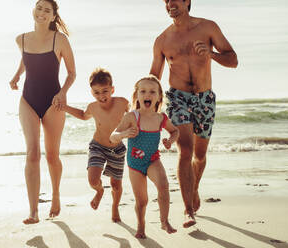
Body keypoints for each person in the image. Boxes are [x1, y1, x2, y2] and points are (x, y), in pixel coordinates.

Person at [150, 0, 238, 228]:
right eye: (166, 0)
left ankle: (194, 187)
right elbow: (154, 76)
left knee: (199, 155)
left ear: (188, 1)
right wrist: (144, 104)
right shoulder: (162, 40)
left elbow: (233, 60)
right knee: (185, 150)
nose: (170, 3)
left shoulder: (208, 28)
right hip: (177, 98)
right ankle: (188, 210)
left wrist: (211, 54)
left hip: (205, 99)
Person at [9, 0, 76, 224]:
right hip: (28, 100)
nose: (42, 12)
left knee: (52, 155)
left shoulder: (60, 39)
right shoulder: (22, 39)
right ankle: (33, 211)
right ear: (33, 11)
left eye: (47, 10)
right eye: (39, 8)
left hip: (53, 102)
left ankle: (56, 194)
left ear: (53, 16)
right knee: (32, 153)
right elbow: (26, 59)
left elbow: (72, 73)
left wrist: (63, 93)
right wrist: (17, 75)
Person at [110, 75, 179, 239]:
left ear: (159, 97)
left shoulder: (161, 118)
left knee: (163, 185)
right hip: (135, 164)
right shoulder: (132, 117)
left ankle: (164, 221)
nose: (147, 94)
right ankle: (141, 225)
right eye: (143, 91)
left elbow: (175, 131)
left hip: (152, 160)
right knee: (142, 201)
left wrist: (170, 141)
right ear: (137, 96)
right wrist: (125, 134)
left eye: (152, 91)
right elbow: (113, 136)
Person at [62, 68, 133, 222]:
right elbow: (82, 115)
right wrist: (64, 107)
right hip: (98, 146)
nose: (101, 96)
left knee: (115, 184)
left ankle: (115, 207)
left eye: (105, 91)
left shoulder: (122, 103)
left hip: (117, 149)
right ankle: (99, 191)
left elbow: (135, 115)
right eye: (96, 92)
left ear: (112, 89)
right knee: (93, 180)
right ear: (92, 92)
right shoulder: (93, 107)